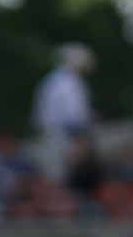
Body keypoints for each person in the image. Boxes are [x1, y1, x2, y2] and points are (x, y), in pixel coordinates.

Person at [34, 44, 96, 184]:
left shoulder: (51, 81)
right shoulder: (71, 83)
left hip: (48, 138)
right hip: (66, 140)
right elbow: (74, 118)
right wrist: (80, 143)